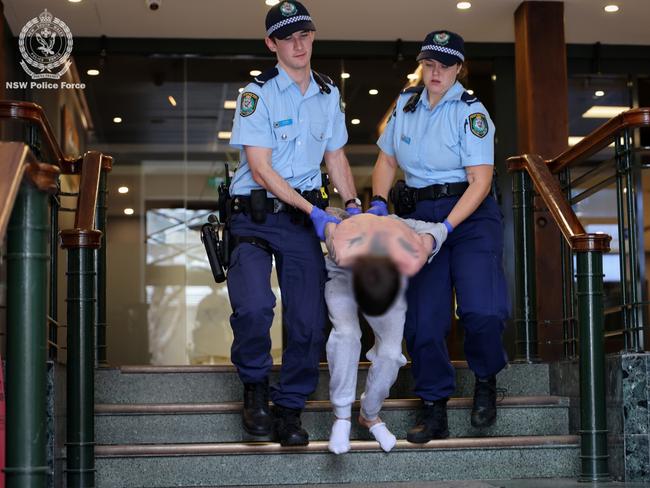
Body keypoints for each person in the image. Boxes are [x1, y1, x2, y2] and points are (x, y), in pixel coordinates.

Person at [227, 0, 359, 447]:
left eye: (305, 35)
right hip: (255, 216)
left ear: (313, 37)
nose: (298, 44)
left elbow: (335, 155)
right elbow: (261, 168)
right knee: (254, 307)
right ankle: (256, 389)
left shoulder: (327, 93)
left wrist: (354, 204)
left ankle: (290, 408)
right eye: (288, 37)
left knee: (307, 320)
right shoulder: (257, 94)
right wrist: (314, 210)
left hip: (304, 220)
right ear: (272, 44)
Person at [369, 30, 509, 443]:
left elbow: (480, 182)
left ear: (458, 69)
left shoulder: (472, 112)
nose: (435, 72)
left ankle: (486, 379)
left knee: (482, 311)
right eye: (429, 63)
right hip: (417, 215)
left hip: (468, 216)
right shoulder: (406, 106)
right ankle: (434, 405)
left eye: (445, 65)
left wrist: (443, 231)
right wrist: (378, 201)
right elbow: (387, 158)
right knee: (424, 320)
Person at [321, 210, 448, 453]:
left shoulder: (402, 234)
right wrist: (331, 223)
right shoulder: (343, 239)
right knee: (346, 334)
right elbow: (328, 217)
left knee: (391, 353)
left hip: (388, 273)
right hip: (341, 274)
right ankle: (343, 416)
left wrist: (429, 239)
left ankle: (369, 415)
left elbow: (440, 227)